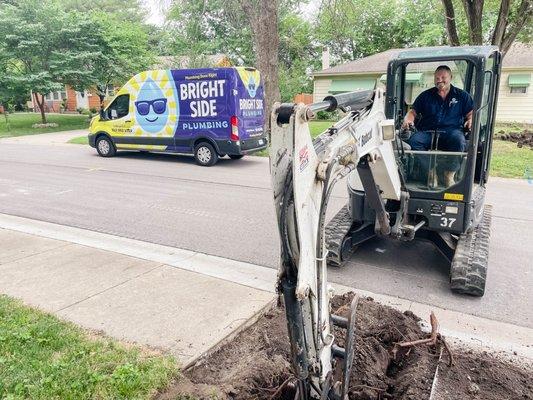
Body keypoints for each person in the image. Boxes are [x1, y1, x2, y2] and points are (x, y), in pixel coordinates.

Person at [402, 65, 473, 186]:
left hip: (451, 131)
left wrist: (471, 119)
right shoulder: (425, 96)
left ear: (451, 77)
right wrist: (408, 119)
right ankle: (431, 172)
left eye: (443, 77)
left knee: (460, 141)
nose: (439, 80)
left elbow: (471, 113)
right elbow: (412, 112)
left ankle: (449, 174)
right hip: (428, 131)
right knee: (414, 141)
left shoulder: (462, 96)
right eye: (436, 78)